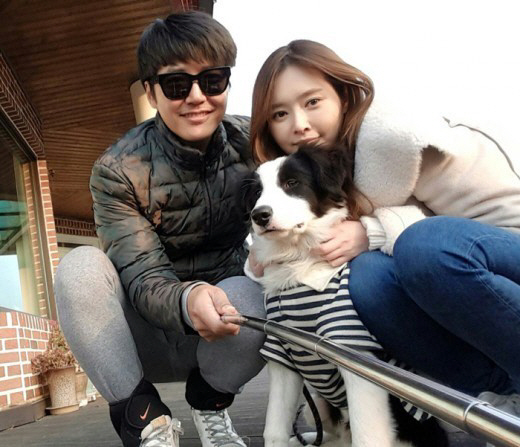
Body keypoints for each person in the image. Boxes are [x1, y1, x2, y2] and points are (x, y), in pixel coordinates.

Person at [249, 39, 520, 414]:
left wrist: (372, 231)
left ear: (343, 95)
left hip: (505, 252)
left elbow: (449, 235)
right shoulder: (308, 168)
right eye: (280, 114)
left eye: (312, 102)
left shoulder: (391, 139)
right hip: (468, 286)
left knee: (421, 247)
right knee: (366, 278)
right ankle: (499, 396)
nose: (300, 125)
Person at [55, 11, 266, 447]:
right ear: (150, 91)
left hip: (227, 332)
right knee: (79, 267)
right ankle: (146, 422)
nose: (197, 97)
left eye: (212, 80)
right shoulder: (116, 169)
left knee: (258, 290)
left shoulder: (256, 143)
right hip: (142, 338)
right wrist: (188, 298)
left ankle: (210, 406)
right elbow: (141, 273)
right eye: (176, 84)